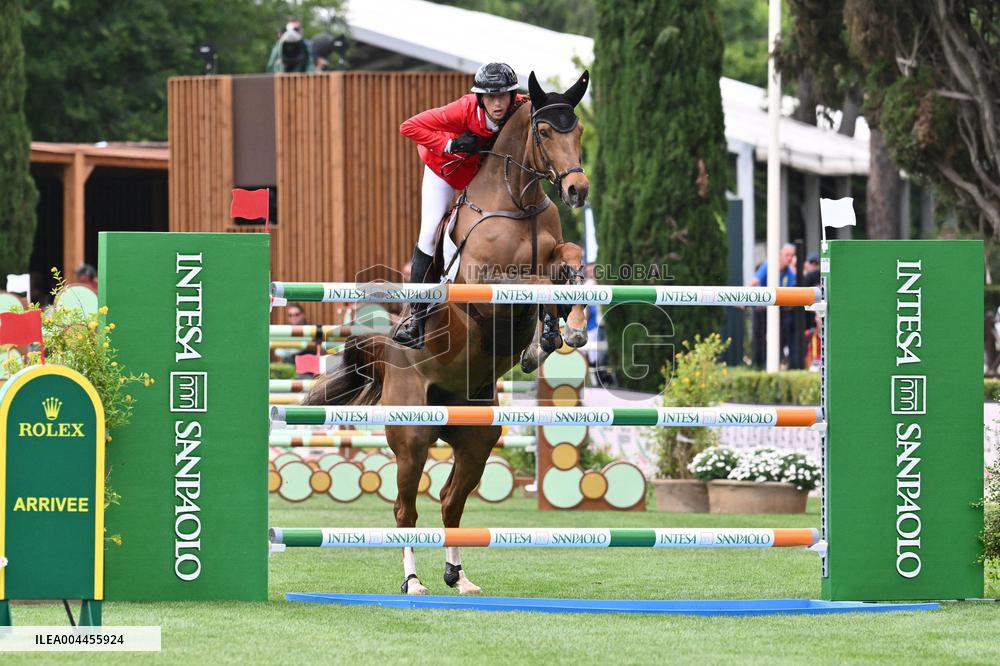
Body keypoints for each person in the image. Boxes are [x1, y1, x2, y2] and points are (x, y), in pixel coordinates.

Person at [393, 62, 524, 348]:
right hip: (445, 171)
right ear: (480, 97)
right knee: (428, 234)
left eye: (504, 96)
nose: (498, 103)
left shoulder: (519, 107)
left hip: (478, 176)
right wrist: (450, 145)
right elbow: (409, 126)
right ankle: (416, 319)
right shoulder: (463, 110)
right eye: (491, 97)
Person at [750, 244, 797, 367]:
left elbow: (793, 290)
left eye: (792, 255)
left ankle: (777, 362)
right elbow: (754, 282)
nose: (790, 258)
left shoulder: (789, 272)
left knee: (781, 336)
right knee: (759, 337)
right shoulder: (769, 265)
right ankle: (758, 364)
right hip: (762, 308)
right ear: (780, 255)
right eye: (787, 255)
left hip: (778, 309)